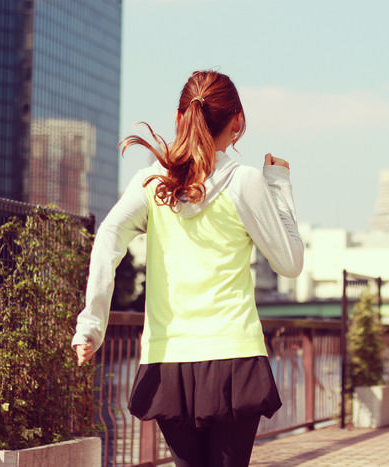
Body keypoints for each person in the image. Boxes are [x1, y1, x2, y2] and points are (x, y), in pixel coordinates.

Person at [72, 70, 304, 467]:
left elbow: (107, 238)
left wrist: (91, 325)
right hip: (234, 356)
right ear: (237, 123)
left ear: (179, 119)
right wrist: (279, 184)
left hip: (169, 360)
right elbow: (290, 263)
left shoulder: (153, 182)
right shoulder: (245, 182)